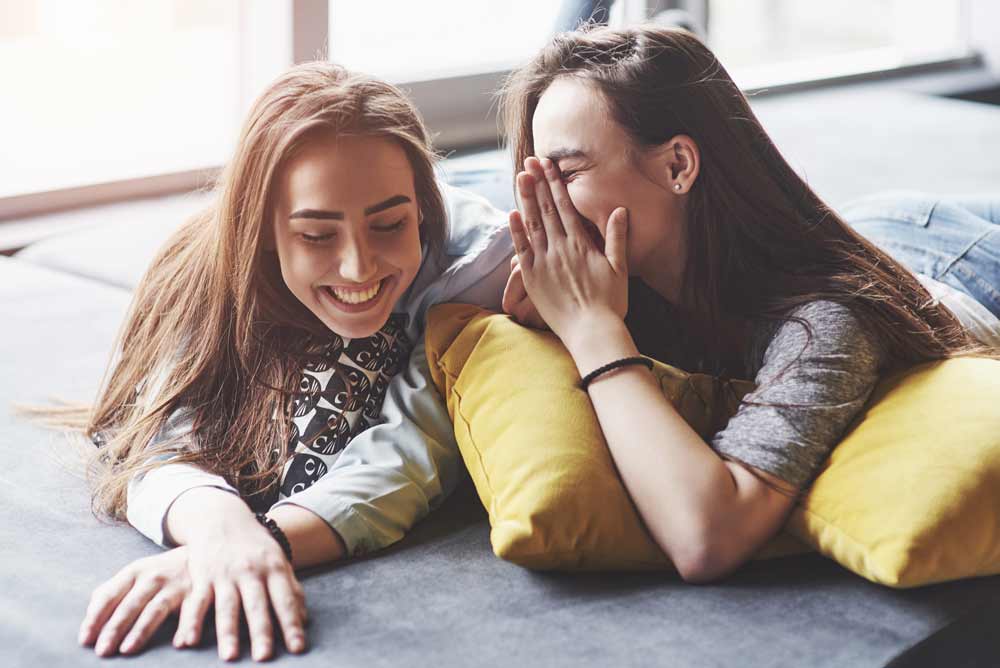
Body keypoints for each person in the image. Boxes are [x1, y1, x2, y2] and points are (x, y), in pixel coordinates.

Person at [497, 23, 1000, 584]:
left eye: (567, 173)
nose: (545, 206)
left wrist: (591, 330)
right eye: (536, 177)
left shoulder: (826, 323)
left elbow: (706, 535)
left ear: (677, 166)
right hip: (865, 224)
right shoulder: (612, 270)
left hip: (960, 264)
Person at [70, 62, 512, 660]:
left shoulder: (476, 269)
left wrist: (272, 540)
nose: (359, 267)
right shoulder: (204, 268)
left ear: (423, 212)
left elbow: (414, 447)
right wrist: (224, 533)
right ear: (264, 231)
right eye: (316, 235)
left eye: (389, 224)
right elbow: (155, 432)